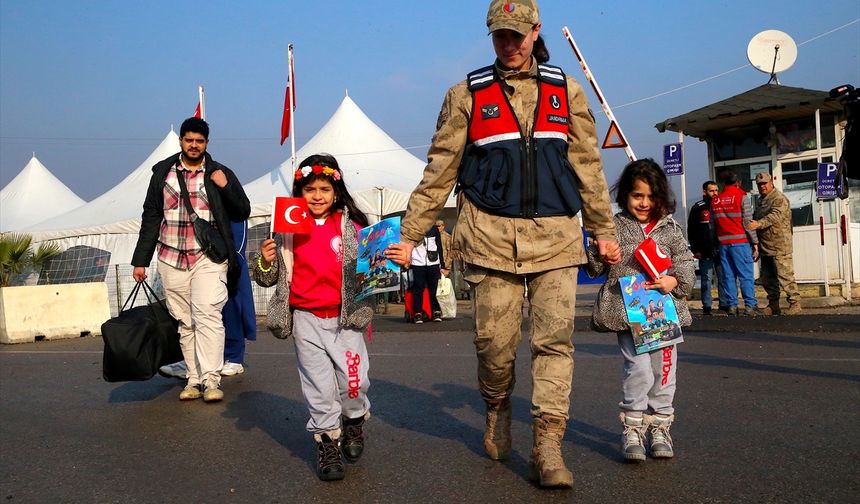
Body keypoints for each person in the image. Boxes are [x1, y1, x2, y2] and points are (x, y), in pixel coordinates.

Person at [385, 0, 620, 488]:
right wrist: (408, 236)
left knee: (554, 343)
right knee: (495, 347)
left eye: (517, 34)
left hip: (556, 236)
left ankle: (548, 446)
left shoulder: (567, 91)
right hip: (489, 238)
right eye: (500, 36)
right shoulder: (465, 96)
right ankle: (496, 408)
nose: (509, 44)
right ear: (491, 36)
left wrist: (604, 230)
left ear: (536, 31)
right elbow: (440, 172)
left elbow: (589, 168)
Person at [254, 154, 374, 482]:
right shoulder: (288, 227)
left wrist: (386, 258)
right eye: (309, 189)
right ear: (299, 191)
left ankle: (353, 422)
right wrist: (265, 260)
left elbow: (371, 267)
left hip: (345, 319)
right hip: (305, 317)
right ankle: (327, 441)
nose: (317, 195)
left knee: (354, 383)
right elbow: (267, 278)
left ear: (336, 191)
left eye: (324, 188)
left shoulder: (352, 225)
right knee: (319, 388)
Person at [131, 117, 250, 402]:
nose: (194, 145)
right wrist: (140, 261)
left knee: (207, 314)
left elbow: (242, 210)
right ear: (181, 141)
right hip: (171, 256)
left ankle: (211, 381)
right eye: (189, 140)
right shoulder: (162, 173)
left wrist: (225, 187)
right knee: (185, 321)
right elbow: (151, 216)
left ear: (207, 143)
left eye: (199, 141)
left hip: (208, 257)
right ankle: (193, 379)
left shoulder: (220, 172)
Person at [586, 159, 695, 462]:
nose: (644, 203)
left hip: (664, 313)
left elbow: (685, 262)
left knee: (664, 372)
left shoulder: (671, 228)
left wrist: (674, 279)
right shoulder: (614, 227)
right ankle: (633, 427)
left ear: (661, 196)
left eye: (651, 196)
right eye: (637, 196)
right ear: (625, 196)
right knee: (638, 369)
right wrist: (601, 253)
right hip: (628, 311)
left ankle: (660, 426)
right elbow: (593, 267)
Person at [158, 220, 257, 379]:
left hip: (223, 248)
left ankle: (233, 356)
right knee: (194, 308)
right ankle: (193, 360)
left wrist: (234, 257)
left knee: (230, 305)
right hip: (197, 249)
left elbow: (239, 213)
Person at [749, 172, 802, 315]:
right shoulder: (761, 200)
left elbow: (775, 216)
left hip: (780, 245)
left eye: (765, 183)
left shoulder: (779, 199)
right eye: (760, 184)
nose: (762, 186)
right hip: (766, 246)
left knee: (785, 276)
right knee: (768, 278)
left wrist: (758, 224)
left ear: (771, 183)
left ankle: (795, 303)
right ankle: (773, 305)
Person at [711, 170, 762, 316]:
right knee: (745, 275)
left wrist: (715, 243)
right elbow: (747, 222)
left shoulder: (716, 200)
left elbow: (712, 227)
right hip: (740, 243)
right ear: (738, 183)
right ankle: (750, 306)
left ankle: (732, 306)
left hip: (723, 245)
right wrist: (755, 242)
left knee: (728, 276)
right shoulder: (742, 197)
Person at [687, 180, 723, 315]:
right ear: (705, 192)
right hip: (704, 250)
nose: (715, 193)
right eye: (711, 191)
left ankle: (724, 304)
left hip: (720, 248)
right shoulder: (698, 207)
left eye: (716, 190)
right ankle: (707, 306)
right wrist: (695, 249)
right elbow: (692, 230)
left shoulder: (721, 205)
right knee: (706, 279)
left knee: (723, 277)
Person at [410, 225, 444, 323]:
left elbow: (439, 246)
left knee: (434, 289)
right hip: (417, 262)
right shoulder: (412, 228)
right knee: (418, 289)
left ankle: (436, 311)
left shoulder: (434, 229)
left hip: (433, 262)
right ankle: (418, 313)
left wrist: (442, 264)